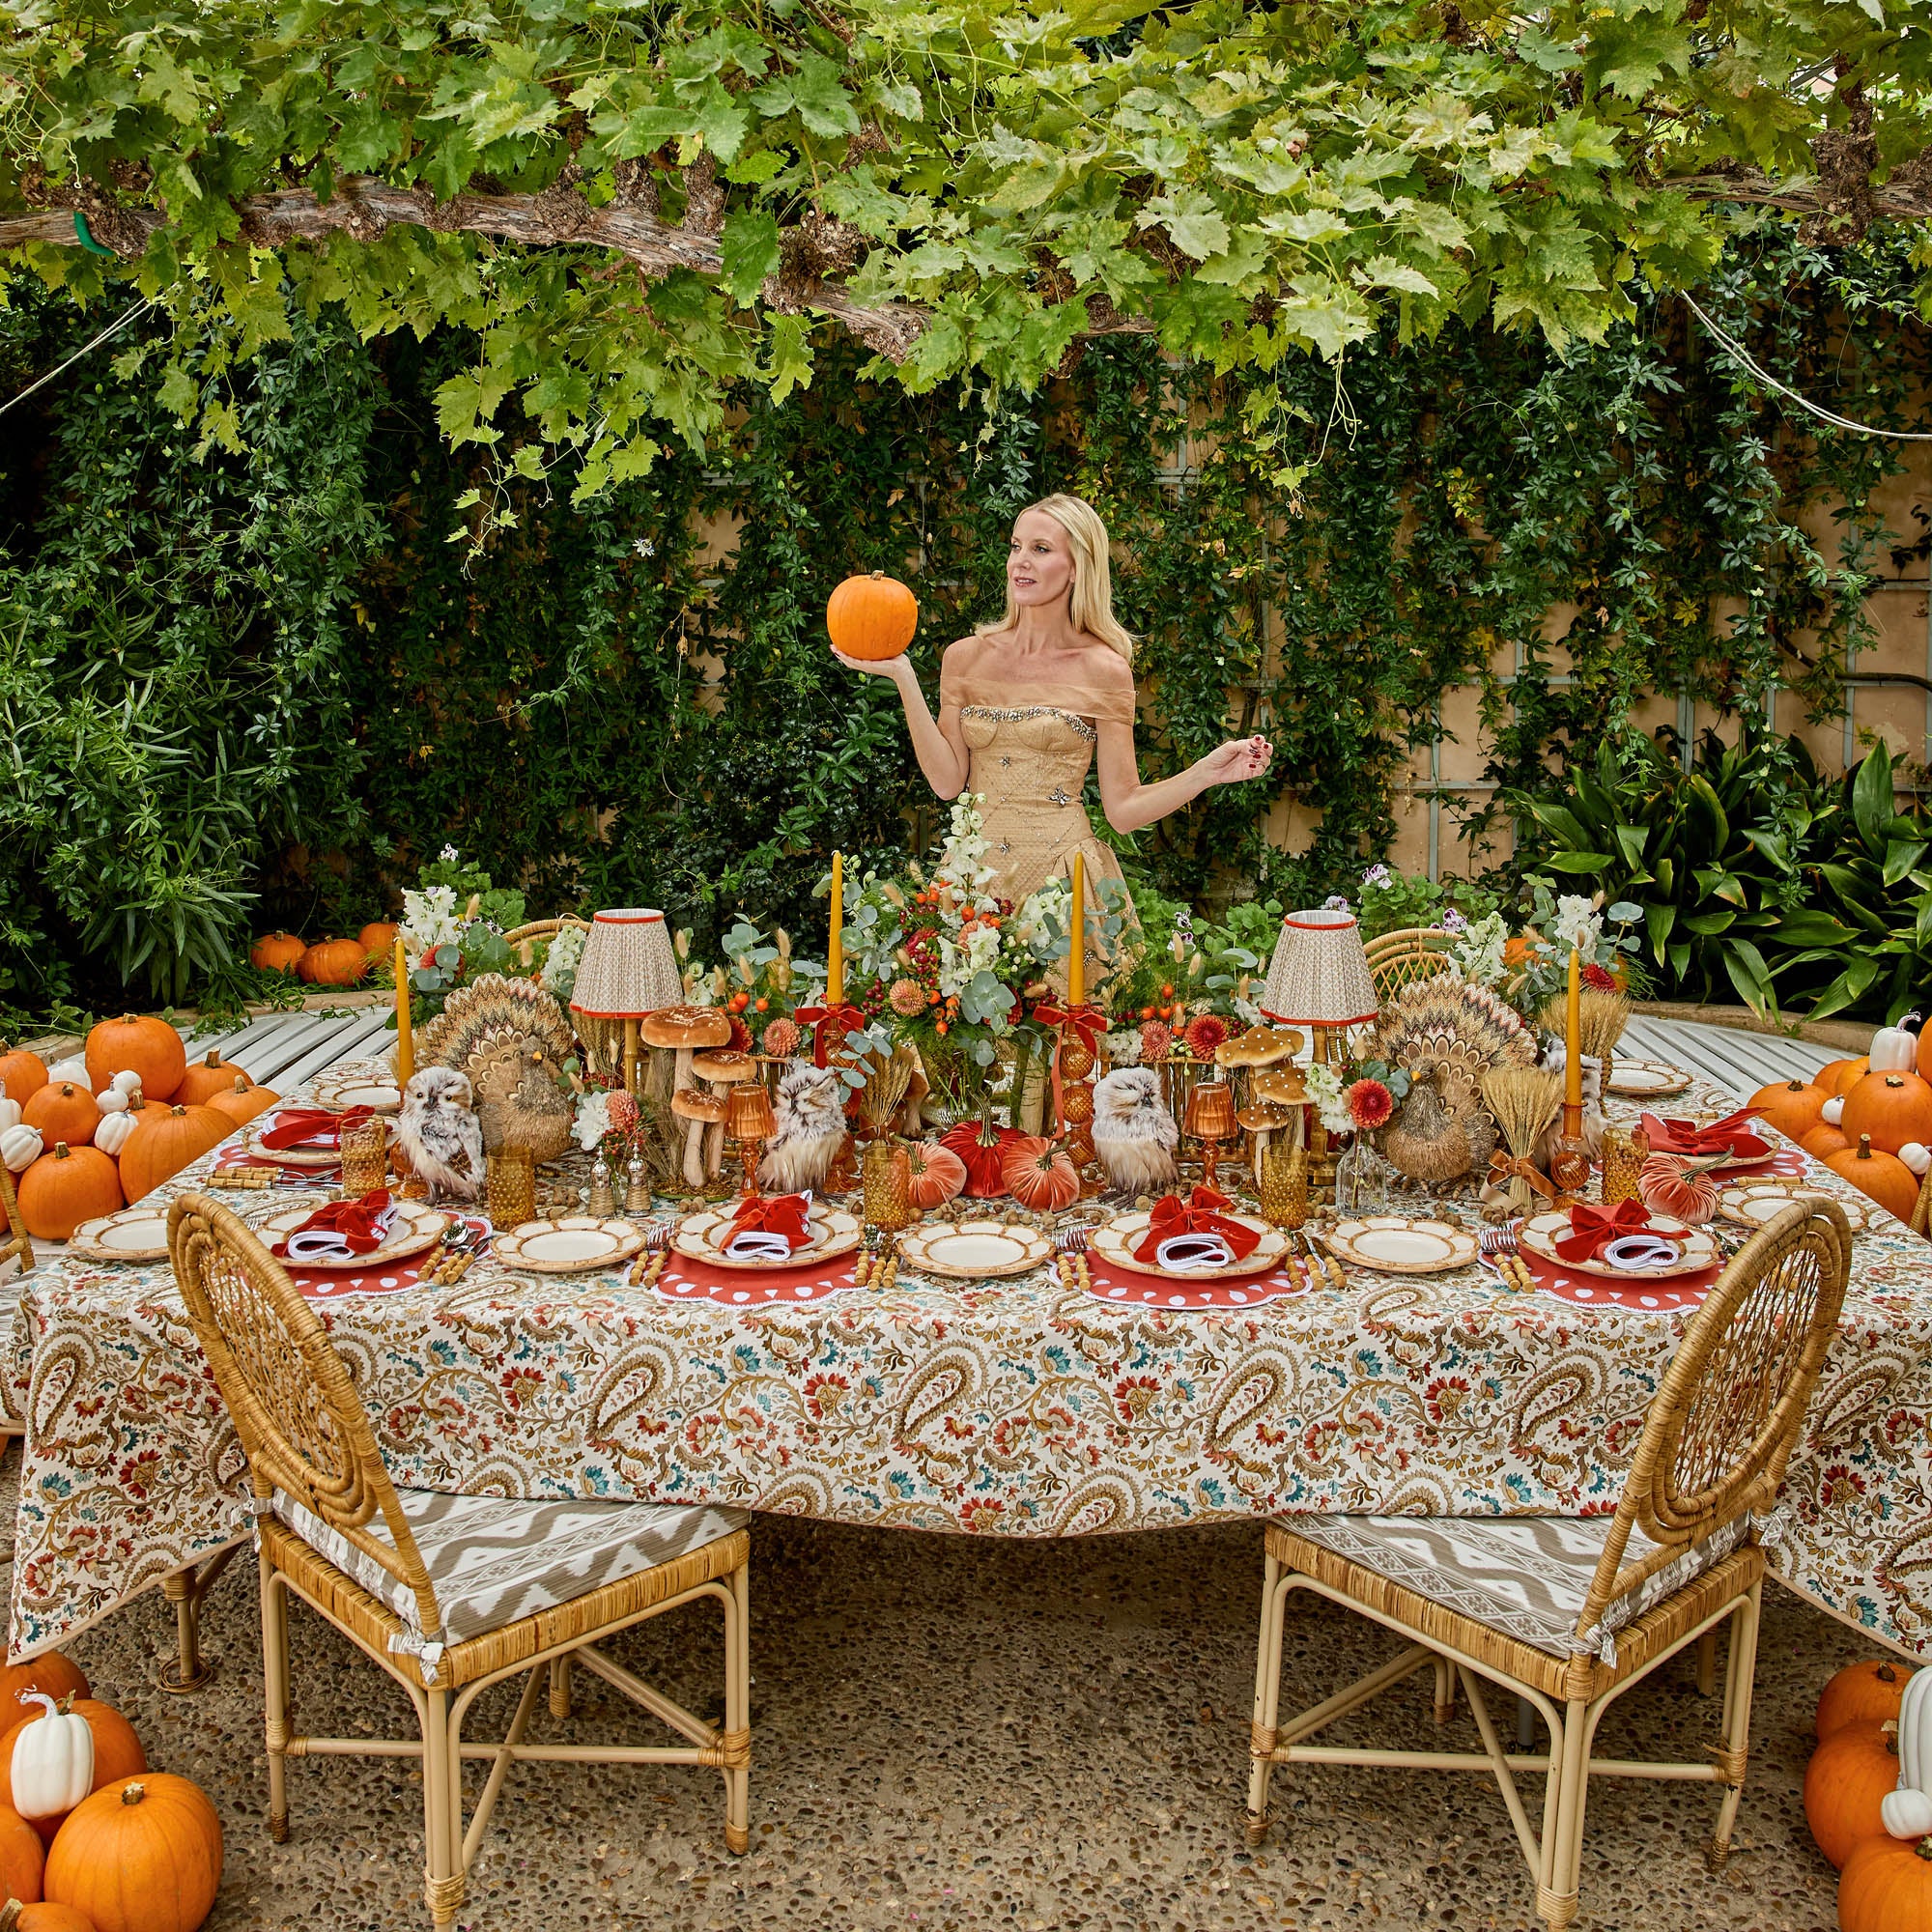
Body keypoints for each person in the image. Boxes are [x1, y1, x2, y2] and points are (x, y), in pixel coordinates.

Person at [835, 492, 1274, 984]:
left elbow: (1123, 808)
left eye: (1041, 549)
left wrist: (1205, 773)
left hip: (1065, 888)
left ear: (1076, 568)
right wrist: (904, 677)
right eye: (1017, 545)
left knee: (1073, 1050)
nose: (1021, 560)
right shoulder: (964, 658)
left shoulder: (1105, 670)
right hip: (974, 881)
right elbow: (946, 782)